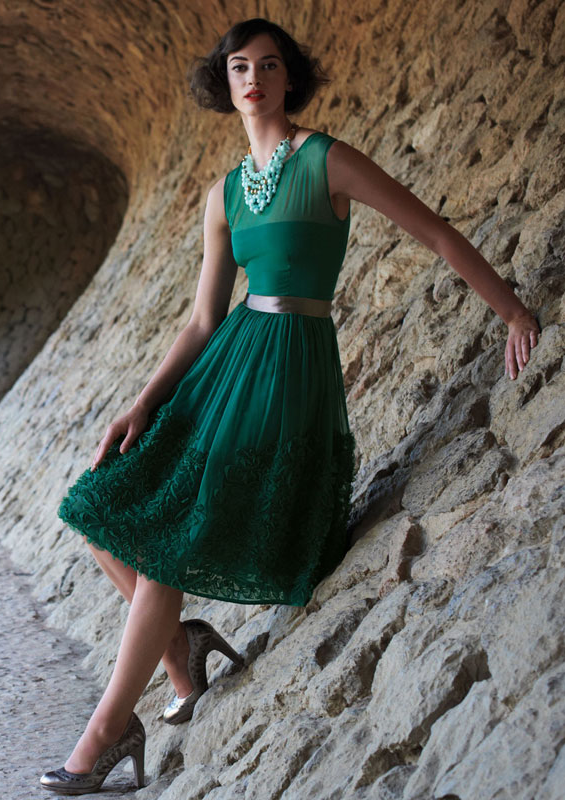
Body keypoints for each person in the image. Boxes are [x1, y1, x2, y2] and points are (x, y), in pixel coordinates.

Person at [39, 17, 541, 795]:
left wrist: (512, 312)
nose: (253, 79)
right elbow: (203, 320)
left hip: (292, 374)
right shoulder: (223, 194)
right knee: (99, 506)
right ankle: (180, 651)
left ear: (288, 77)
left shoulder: (327, 159)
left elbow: (434, 232)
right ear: (226, 83)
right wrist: (141, 406)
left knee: (170, 535)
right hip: (229, 365)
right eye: (239, 67)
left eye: (268, 65)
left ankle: (108, 730)